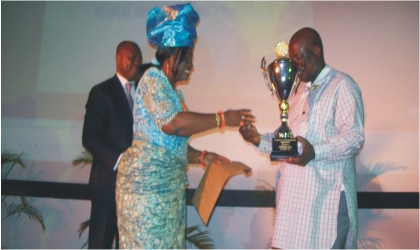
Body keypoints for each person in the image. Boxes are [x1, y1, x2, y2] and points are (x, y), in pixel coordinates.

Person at [115, 3, 254, 249]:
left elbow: (174, 145)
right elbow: (174, 125)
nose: (192, 65)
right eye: (188, 57)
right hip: (145, 193)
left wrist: (202, 157)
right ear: (172, 56)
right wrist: (222, 118)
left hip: (168, 193)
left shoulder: (176, 96)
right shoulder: (151, 80)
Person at [240, 27, 364, 249]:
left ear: (316, 51)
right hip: (293, 204)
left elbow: (354, 137)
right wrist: (258, 139)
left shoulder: (342, 85)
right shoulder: (296, 92)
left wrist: (315, 151)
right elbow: (288, 144)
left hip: (326, 201)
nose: (295, 64)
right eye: (293, 59)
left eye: (299, 57)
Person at [82, 41, 142, 249]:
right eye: (131, 57)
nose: (136, 62)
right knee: (101, 244)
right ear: (118, 58)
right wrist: (119, 160)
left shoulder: (143, 96)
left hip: (135, 189)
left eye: (139, 58)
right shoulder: (102, 91)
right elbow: (90, 136)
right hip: (108, 186)